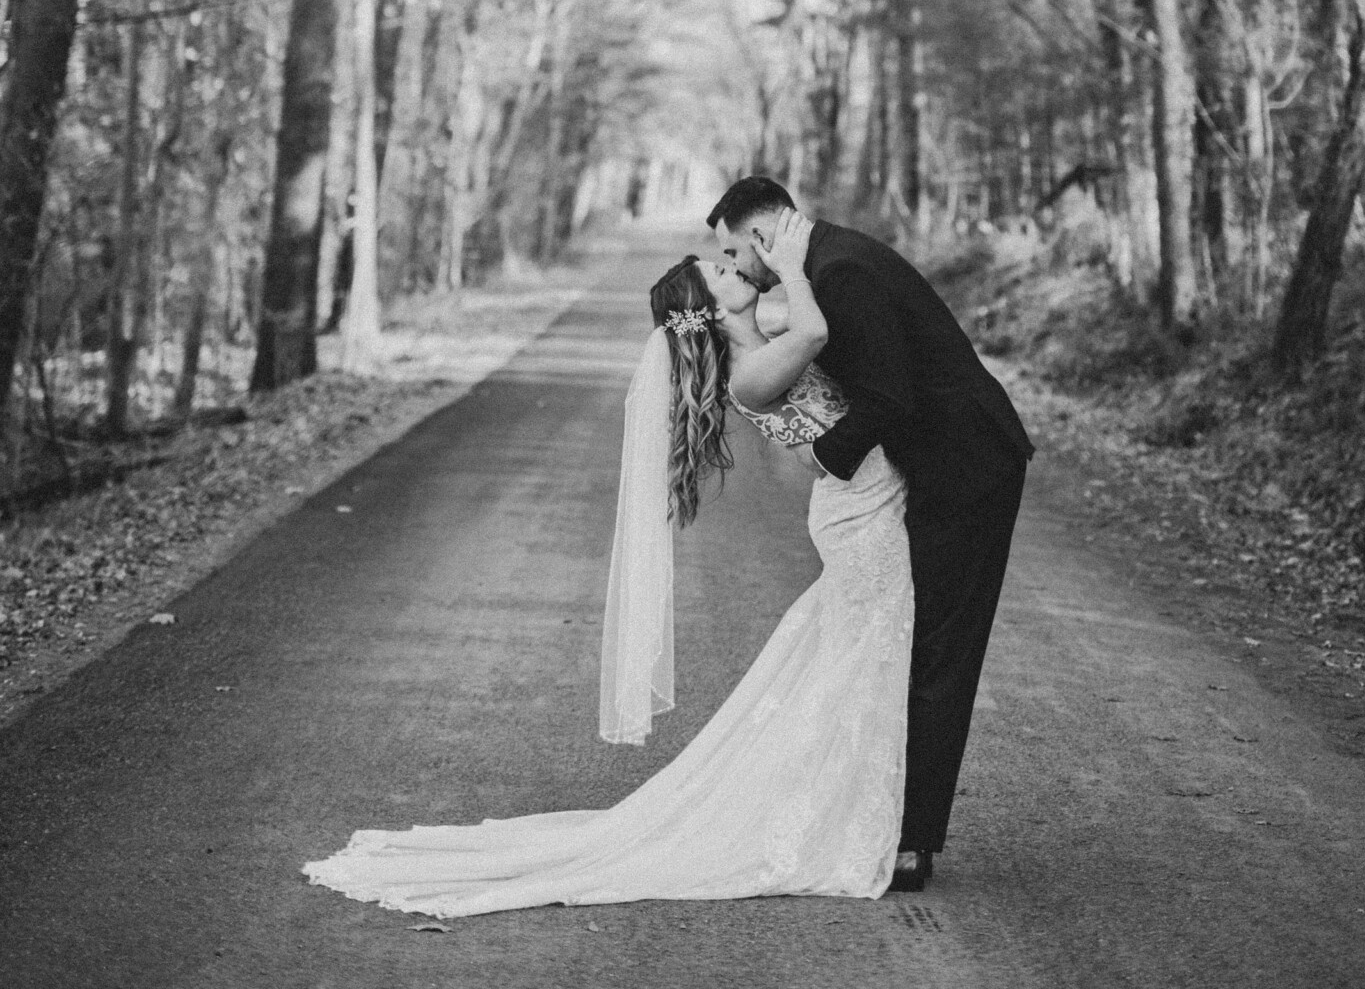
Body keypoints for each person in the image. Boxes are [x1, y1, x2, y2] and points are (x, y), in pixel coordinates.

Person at [302, 211, 916, 917]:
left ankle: (852, 803)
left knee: (853, 660)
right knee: (864, 657)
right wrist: (799, 256)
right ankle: (851, 817)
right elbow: (816, 352)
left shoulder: (762, 344)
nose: (737, 266)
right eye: (722, 272)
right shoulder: (752, 374)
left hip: (864, 506)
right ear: (712, 309)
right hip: (858, 515)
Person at [709, 177, 1033, 891]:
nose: (735, 267)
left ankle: (911, 841)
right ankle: (898, 825)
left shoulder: (842, 272)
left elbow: (889, 397)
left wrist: (826, 460)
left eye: (735, 250)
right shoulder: (825, 267)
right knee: (917, 639)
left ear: (762, 234)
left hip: (968, 465)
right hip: (936, 466)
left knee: (942, 644)